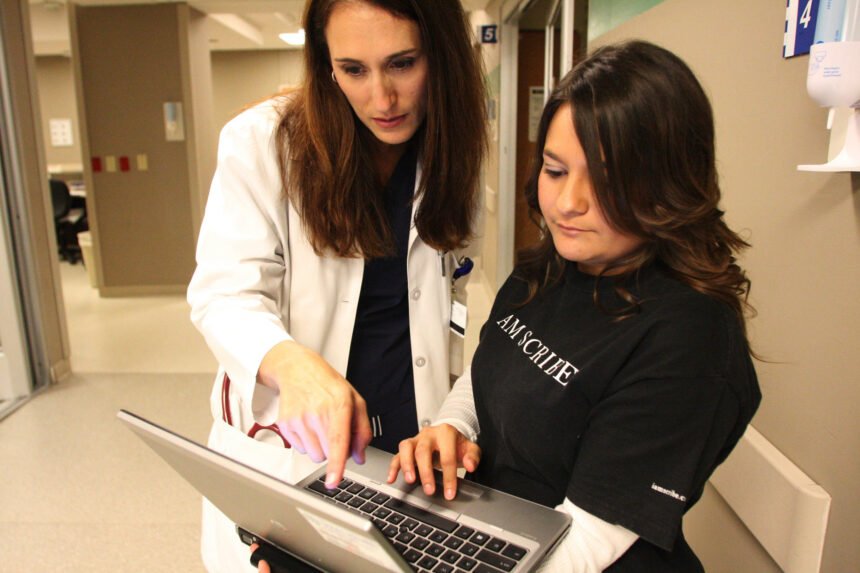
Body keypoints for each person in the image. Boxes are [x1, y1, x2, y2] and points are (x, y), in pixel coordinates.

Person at [389, 40, 762, 572]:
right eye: (555, 170)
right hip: (497, 538)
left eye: (606, 180)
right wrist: (453, 428)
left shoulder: (690, 337)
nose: (568, 204)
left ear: (668, 182)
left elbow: (582, 546)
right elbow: (488, 369)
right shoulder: (549, 265)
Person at [186, 0, 487, 570]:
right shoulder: (262, 144)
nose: (382, 98)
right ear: (327, 66)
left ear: (441, 57)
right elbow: (223, 294)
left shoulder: (454, 153)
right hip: (287, 448)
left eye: (402, 64)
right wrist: (292, 366)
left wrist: (453, 416)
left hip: (404, 449)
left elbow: (454, 300)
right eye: (354, 69)